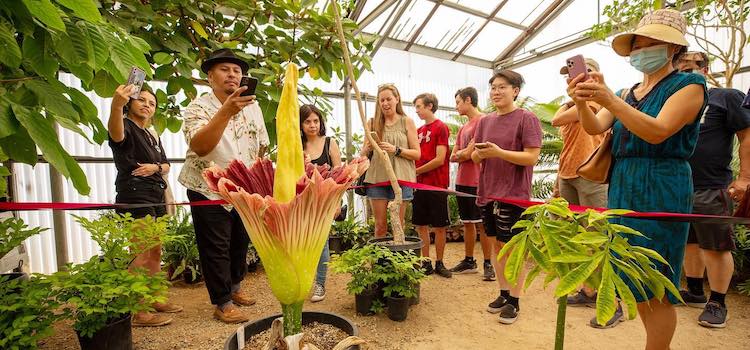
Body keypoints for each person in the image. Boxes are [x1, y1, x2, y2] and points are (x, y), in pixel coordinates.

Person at [569, 9, 707, 349]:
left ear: (673, 48)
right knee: (634, 276)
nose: (642, 50)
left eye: (651, 43)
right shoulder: (629, 91)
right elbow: (595, 127)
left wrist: (610, 100)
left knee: (656, 281)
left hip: (663, 185)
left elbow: (658, 132)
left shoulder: (690, 85)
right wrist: (583, 102)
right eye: (637, 44)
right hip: (624, 184)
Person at [179, 49, 269, 323]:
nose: (232, 74)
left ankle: (236, 287)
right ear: (209, 76)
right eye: (224, 69)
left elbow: (261, 146)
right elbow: (201, 146)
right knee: (215, 245)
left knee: (240, 241)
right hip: (208, 188)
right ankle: (223, 301)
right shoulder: (199, 107)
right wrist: (225, 112)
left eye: (237, 70)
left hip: (243, 189)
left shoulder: (252, 106)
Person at [677, 51, 750, 328]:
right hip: (680, 185)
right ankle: (695, 291)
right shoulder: (672, 102)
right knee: (689, 242)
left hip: (712, 185)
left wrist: (744, 178)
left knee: (716, 246)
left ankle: (718, 301)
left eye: (692, 68)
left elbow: (746, 137)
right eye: (680, 68)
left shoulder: (725, 97)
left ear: (705, 70)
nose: (685, 73)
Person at [471, 70, 542, 325]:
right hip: (487, 192)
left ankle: (515, 300)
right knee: (496, 247)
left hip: (514, 195)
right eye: (493, 87)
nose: (496, 91)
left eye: (502, 87)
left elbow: (531, 157)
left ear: (516, 91)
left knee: (512, 250)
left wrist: (500, 152)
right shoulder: (485, 121)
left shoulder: (527, 118)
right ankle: (503, 293)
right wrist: (481, 154)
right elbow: (476, 157)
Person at [108, 84, 182, 327]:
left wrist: (155, 168)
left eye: (152, 103)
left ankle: (154, 298)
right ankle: (139, 311)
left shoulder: (151, 134)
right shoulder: (125, 126)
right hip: (135, 194)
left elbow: (167, 165)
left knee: (155, 250)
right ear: (130, 103)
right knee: (139, 252)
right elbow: (115, 134)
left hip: (156, 194)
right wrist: (116, 105)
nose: (147, 105)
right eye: (142, 100)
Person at [553, 59, 613, 321]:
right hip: (567, 173)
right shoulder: (571, 103)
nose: (573, 77)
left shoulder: (598, 101)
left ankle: (606, 295)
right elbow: (565, 137)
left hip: (592, 176)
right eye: (569, 74)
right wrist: (558, 179)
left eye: (579, 72)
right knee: (575, 235)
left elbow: (556, 119)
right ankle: (588, 289)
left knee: (597, 235)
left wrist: (574, 101)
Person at [360, 84, 420, 238]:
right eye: (382, 100)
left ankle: (398, 261)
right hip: (377, 178)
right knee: (380, 226)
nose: (385, 103)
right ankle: (380, 261)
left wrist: (396, 150)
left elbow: (417, 154)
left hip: (401, 179)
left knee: (398, 225)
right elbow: (362, 155)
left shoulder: (407, 122)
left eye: (389, 99)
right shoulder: (372, 123)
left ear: (397, 99)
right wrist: (367, 148)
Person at [449, 87, 495, 281]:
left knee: (483, 225)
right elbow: (454, 156)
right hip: (462, 181)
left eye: (458, 101)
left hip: (479, 182)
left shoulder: (484, 122)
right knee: (467, 222)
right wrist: (463, 153)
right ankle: (469, 261)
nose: (456, 106)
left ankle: (488, 263)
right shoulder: (463, 128)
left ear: (468, 100)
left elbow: (470, 154)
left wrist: (464, 153)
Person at [300, 104, 342, 302]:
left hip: (325, 202)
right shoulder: (298, 146)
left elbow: (340, 176)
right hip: (303, 202)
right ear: (300, 124)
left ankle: (320, 284)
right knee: (305, 243)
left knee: (322, 242)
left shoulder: (329, 144)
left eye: (315, 121)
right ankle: (306, 280)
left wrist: (336, 203)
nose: (312, 125)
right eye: (307, 121)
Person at [412, 93, 452, 278]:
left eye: (419, 106)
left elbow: (440, 159)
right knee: (421, 225)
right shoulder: (418, 131)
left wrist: (417, 172)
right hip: (419, 186)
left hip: (436, 184)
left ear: (430, 106)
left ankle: (440, 262)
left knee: (440, 226)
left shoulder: (441, 127)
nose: (417, 111)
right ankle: (426, 262)